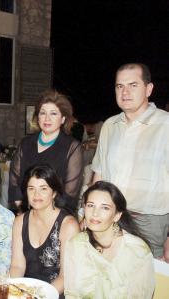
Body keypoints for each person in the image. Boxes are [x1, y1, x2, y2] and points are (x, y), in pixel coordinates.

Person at [91, 63, 169, 259]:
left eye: (133, 85)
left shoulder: (165, 125)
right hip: (111, 219)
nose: (125, 92)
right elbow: (99, 174)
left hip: (150, 224)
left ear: (148, 89)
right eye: (119, 86)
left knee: (148, 284)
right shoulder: (110, 125)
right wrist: (89, 211)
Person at [64, 181, 155, 298]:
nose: (95, 213)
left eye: (105, 208)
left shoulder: (136, 251)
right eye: (91, 205)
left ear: (117, 215)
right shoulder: (76, 244)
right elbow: (72, 293)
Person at [10, 165, 80, 295]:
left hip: (54, 292)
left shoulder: (68, 226)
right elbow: (17, 266)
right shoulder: (20, 221)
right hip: (26, 290)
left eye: (43, 188)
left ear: (54, 193)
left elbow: (65, 277)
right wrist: (15, 290)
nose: (36, 194)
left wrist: (40, 295)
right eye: (31, 189)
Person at [9, 90, 83, 212]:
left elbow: (70, 193)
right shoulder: (25, 144)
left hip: (57, 215)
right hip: (25, 212)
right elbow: (14, 182)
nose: (47, 118)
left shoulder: (72, 147)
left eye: (53, 113)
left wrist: (46, 216)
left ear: (63, 119)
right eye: (43, 113)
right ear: (38, 118)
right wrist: (24, 210)